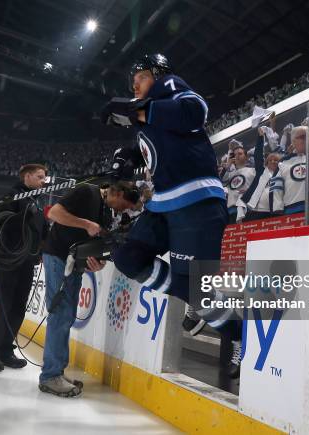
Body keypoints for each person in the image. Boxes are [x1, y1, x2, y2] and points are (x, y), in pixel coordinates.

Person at [101, 54, 242, 378]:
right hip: (163, 205)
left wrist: (133, 108)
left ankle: (239, 333)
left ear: (159, 73)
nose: (134, 83)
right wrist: (126, 158)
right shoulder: (148, 122)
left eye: (140, 76)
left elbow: (195, 111)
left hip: (195, 202)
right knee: (129, 258)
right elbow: (152, 149)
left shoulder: (170, 88)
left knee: (197, 290)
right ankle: (194, 295)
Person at [39, 181, 138, 397]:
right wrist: (85, 224)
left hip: (73, 262)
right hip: (57, 256)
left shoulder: (106, 213)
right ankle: (50, 375)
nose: (124, 209)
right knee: (60, 314)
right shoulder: (86, 191)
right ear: (117, 192)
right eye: (124, 203)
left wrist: (98, 263)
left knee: (67, 316)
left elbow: (93, 246)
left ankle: (56, 371)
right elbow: (54, 213)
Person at [0, 164, 48, 372]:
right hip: (8, 259)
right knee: (2, 304)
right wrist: (23, 216)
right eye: (39, 177)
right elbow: (2, 222)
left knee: (18, 305)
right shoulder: (13, 196)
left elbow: (41, 230)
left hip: (27, 261)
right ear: (27, 177)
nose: (43, 180)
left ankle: (5, 351)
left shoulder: (36, 199)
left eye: (44, 177)